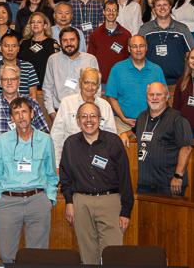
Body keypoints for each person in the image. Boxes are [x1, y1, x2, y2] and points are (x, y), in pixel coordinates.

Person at [59, 102, 134, 265]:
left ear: (100, 119)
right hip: (81, 203)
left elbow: (125, 178)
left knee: (113, 255)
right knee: (88, 256)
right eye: (84, 116)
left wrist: (126, 211)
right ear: (78, 120)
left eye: (93, 115)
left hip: (110, 202)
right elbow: (65, 177)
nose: (89, 120)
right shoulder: (70, 144)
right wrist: (69, 202)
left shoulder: (113, 141)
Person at [0, 97, 58, 263]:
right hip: (8, 201)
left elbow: (51, 174)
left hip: (38, 200)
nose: (20, 116)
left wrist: (50, 198)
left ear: (32, 113)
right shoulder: (2, 141)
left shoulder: (45, 140)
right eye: (16, 113)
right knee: (6, 255)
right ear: (12, 118)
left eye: (24, 111)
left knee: (36, 256)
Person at [134, 82, 194, 196]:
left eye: (159, 94)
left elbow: (186, 148)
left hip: (169, 184)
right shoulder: (142, 117)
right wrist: (125, 134)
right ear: (146, 97)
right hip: (145, 183)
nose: (155, 98)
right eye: (151, 94)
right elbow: (135, 133)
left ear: (167, 97)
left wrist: (178, 176)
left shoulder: (177, 118)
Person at [0, 66, 49, 159]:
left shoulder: (31, 103)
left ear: (19, 82)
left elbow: (43, 133)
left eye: (13, 79)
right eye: (5, 79)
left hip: (26, 161)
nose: (9, 83)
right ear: (0, 83)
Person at [50, 68, 117, 165]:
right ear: (80, 82)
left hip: (97, 159)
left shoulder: (105, 105)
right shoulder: (67, 103)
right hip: (71, 158)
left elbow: (111, 136)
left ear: (98, 86)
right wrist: (56, 164)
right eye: (86, 82)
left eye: (94, 83)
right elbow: (56, 136)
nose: (90, 87)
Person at [105, 35, 165, 134]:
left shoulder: (156, 70)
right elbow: (111, 97)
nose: (138, 49)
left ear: (146, 47)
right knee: (120, 146)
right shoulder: (117, 69)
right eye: (134, 46)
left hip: (151, 123)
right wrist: (123, 118)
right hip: (123, 123)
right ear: (129, 49)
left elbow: (164, 98)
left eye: (141, 45)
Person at [139, 0, 194, 84]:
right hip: (151, 81)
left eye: (165, 4)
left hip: (178, 82)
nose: (162, 8)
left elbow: (192, 53)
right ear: (154, 9)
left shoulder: (182, 28)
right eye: (158, 5)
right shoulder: (145, 29)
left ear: (170, 7)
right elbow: (137, 53)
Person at [43, 28, 99, 118]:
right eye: (65, 40)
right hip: (59, 111)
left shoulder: (90, 60)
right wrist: (51, 111)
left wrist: (92, 110)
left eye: (72, 40)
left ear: (78, 41)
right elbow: (48, 87)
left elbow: (97, 88)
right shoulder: (53, 60)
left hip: (84, 111)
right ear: (60, 42)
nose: (69, 43)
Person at [0, 33, 41, 102]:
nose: (10, 49)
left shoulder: (28, 67)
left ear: (18, 49)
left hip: (23, 110)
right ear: (0, 48)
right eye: (6, 46)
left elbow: (33, 95)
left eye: (14, 46)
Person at [86, 1, 131, 83]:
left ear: (118, 13)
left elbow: (128, 60)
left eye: (114, 10)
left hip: (119, 80)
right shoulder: (95, 35)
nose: (111, 13)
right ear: (103, 12)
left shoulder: (126, 35)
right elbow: (90, 59)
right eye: (108, 10)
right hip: (100, 81)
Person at [18, 12, 61, 85]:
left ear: (45, 25)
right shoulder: (23, 43)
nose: (35, 24)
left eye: (39, 22)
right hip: (25, 84)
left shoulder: (52, 43)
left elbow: (57, 66)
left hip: (45, 85)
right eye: (33, 22)